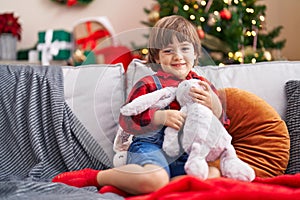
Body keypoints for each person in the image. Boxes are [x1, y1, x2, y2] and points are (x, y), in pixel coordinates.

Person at [52, 15, 230, 196]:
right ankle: (97, 177)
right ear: (157, 57)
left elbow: (220, 124)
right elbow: (126, 120)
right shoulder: (148, 84)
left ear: (195, 53)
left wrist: (213, 104)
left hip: (186, 152)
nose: (178, 56)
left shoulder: (202, 85)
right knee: (155, 179)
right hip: (150, 148)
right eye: (168, 51)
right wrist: (159, 117)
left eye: (185, 48)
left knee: (213, 174)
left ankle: (157, 186)